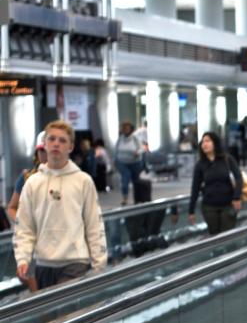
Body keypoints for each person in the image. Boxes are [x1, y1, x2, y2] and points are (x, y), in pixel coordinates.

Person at [14, 120, 107, 289]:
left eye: (62, 140)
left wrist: (99, 264)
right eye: (52, 139)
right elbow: (24, 227)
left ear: (70, 147)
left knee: (67, 315)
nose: (56, 143)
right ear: (45, 144)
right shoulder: (32, 183)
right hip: (43, 264)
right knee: (48, 315)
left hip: (75, 263)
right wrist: (23, 259)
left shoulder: (83, 181)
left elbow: (94, 224)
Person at [188, 131, 243, 236]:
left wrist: (237, 197)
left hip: (228, 205)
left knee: (227, 236)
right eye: (203, 142)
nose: (204, 144)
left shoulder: (227, 159)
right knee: (214, 236)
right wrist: (191, 210)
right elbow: (195, 188)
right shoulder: (200, 165)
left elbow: (238, 178)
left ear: (215, 143)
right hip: (209, 207)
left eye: (208, 141)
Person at [7, 133, 47, 226]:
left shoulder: (67, 178)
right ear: (36, 154)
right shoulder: (26, 177)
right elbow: (12, 208)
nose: (45, 155)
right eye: (41, 150)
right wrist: (22, 224)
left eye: (47, 150)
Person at [115, 121, 144, 205]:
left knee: (136, 181)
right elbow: (116, 150)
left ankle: (138, 199)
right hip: (122, 162)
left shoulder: (135, 138)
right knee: (125, 179)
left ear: (131, 129)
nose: (125, 130)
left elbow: (141, 148)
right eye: (123, 128)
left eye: (127, 128)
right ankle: (125, 199)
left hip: (135, 163)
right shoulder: (120, 139)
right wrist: (115, 160)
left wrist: (137, 153)